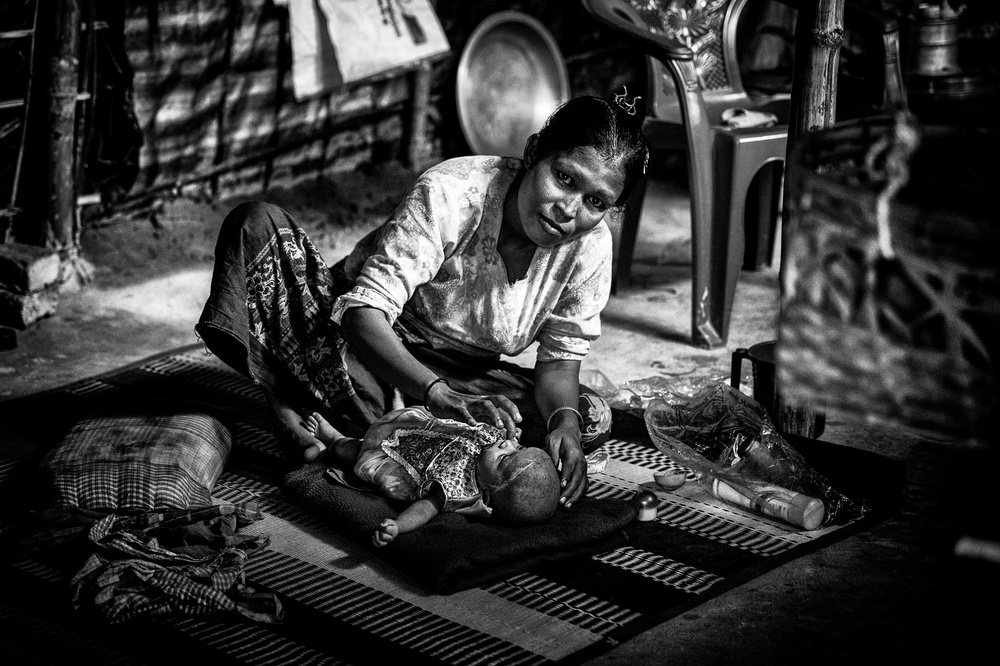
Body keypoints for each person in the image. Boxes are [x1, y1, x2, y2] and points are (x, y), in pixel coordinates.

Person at [196, 90, 650, 509]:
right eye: (564, 178)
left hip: (461, 374)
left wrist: (564, 425)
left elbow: (559, 364)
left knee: (587, 418)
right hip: (363, 345)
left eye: (596, 201)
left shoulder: (590, 247)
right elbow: (362, 315)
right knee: (256, 225)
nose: (569, 209)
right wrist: (435, 394)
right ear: (534, 152)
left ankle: (342, 418)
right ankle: (300, 402)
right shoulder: (453, 192)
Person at [304, 406, 561, 546]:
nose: (507, 445)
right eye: (520, 448)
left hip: (397, 459)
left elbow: (427, 508)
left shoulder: (457, 487)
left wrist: (398, 526)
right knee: (382, 427)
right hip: (418, 433)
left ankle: (333, 441)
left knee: (351, 451)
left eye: (504, 458)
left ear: (485, 494)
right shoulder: (496, 441)